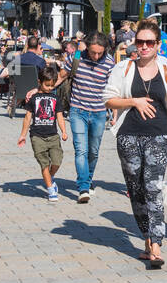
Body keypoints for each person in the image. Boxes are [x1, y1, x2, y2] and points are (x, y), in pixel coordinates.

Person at [103, 20, 167, 269]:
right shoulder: (123, 68)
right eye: (139, 42)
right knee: (136, 188)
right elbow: (108, 100)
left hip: (159, 135)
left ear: (157, 45)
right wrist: (134, 102)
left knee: (154, 187)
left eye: (148, 43)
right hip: (128, 136)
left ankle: (156, 245)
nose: (143, 47)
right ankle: (145, 237)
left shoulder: (166, 68)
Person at [64, 32, 115, 205]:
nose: (96, 56)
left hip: (100, 113)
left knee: (93, 151)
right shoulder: (76, 57)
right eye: (93, 52)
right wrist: (41, 90)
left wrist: (115, 114)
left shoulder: (109, 63)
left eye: (99, 53)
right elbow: (61, 76)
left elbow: (112, 90)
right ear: (87, 47)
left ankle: (89, 178)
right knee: (81, 150)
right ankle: (83, 187)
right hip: (78, 110)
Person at [16, 65, 69, 202]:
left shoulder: (55, 99)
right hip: (37, 136)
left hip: (53, 136)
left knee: (57, 161)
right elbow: (28, 117)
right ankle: (50, 188)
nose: (50, 88)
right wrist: (23, 135)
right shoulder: (33, 98)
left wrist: (64, 131)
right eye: (47, 85)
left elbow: (59, 116)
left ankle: (49, 178)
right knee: (44, 163)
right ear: (39, 82)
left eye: (52, 85)